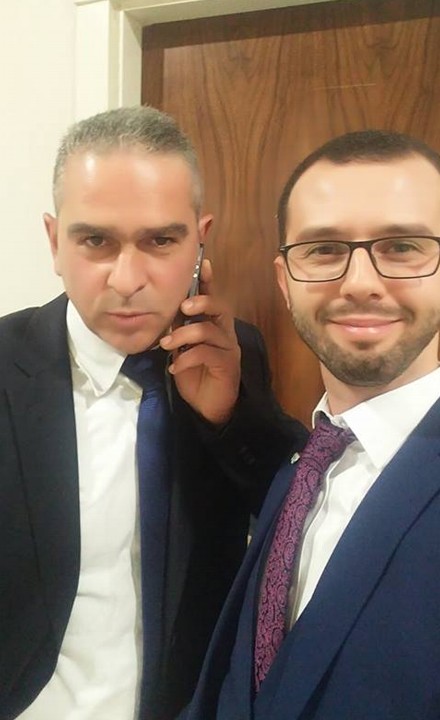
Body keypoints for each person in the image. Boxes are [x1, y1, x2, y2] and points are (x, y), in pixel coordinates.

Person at [0, 106, 308, 720]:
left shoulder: (236, 353)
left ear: (200, 239)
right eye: (96, 241)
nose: (127, 279)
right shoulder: (7, 365)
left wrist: (228, 420)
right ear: (54, 242)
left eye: (160, 241)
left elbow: (289, 521)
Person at [181, 129, 440, 720]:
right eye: (323, 250)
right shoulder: (307, 465)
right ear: (284, 280)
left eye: (402, 247)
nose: (360, 283)